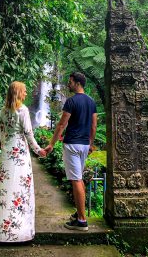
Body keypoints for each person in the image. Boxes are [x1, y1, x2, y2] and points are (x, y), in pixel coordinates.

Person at [0, 81, 46, 242]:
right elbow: (28, 133)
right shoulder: (23, 110)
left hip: (7, 153)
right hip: (20, 154)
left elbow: (2, 133)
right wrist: (39, 150)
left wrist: (5, 148)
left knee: (4, 188)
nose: (26, 94)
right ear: (18, 92)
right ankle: (19, 231)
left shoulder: (3, 111)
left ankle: (0, 230)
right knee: (20, 190)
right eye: (24, 91)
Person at [45, 72, 97, 231]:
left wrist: (51, 144)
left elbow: (61, 125)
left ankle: (81, 220)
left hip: (72, 145)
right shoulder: (91, 102)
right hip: (83, 146)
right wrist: (90, 144)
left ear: (78, 83)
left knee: (76, 180)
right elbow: (93, 126)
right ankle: (79, 212)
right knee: (78, 179)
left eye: (71, 82)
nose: (68, 84)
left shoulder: (71, 101)